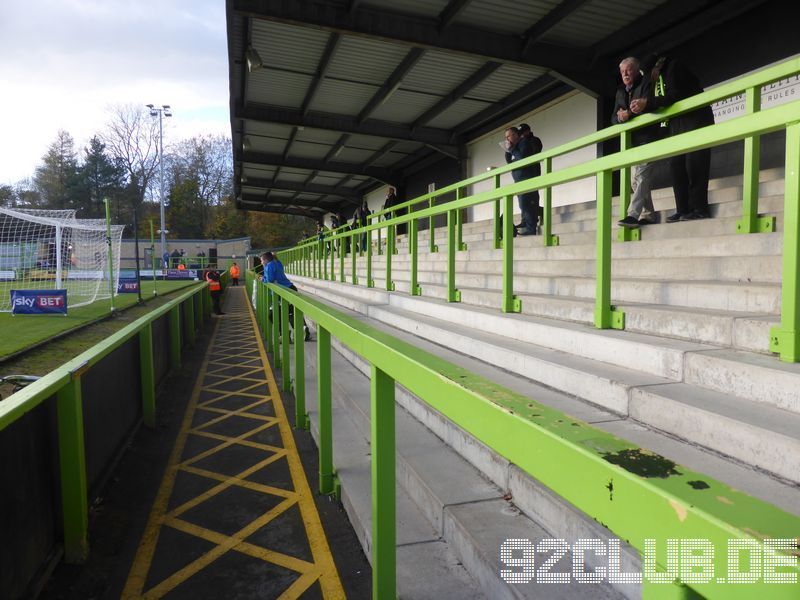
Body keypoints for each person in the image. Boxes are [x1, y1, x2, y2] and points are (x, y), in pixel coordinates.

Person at [630, 54, 714, 222]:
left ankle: (699, 208)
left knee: (695, 164)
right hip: (677, 126)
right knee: (676, 166)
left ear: (656, 67)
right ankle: (682, 209)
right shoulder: (657, 78)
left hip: (695, 120)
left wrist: (647, 103)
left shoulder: (674, 67)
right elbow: (658, 101)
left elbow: (674, 95)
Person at [612, 57, 666, 228]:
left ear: (636, 70)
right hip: (631, 142)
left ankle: (632, 215)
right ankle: (648, 214)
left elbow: (652, 105)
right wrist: (620, 118)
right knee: (635, 182)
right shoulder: (620, 92)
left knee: (641, 176)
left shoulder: (647, 84)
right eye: (622, 72)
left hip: (649, 137)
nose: (625, 74)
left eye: (628, 70)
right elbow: (613, 118)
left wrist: (629, 113)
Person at [261, 252, 311, 341]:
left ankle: (285, 334)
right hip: (291, 288)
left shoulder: (269, 266)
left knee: (274, 314)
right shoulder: (277, 262)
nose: (261, 262)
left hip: (282, 292)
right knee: (291, 312)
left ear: (265, 260)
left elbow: (269, 280)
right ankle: (301, 329)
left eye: (262, 260)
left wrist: (262, 279)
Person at [504, 126, 542, 235]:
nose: (507, 139)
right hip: (518, 179)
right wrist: (507, 151)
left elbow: (522, 158)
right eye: (505, 137)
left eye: (508, 136)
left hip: (527, 177)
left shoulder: (524, 143)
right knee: (523, 204)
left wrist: (512, 149)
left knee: (526, 203)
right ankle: (527, 223)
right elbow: (509, 162)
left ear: (515, 135)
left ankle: (531, 229)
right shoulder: (514, 148)